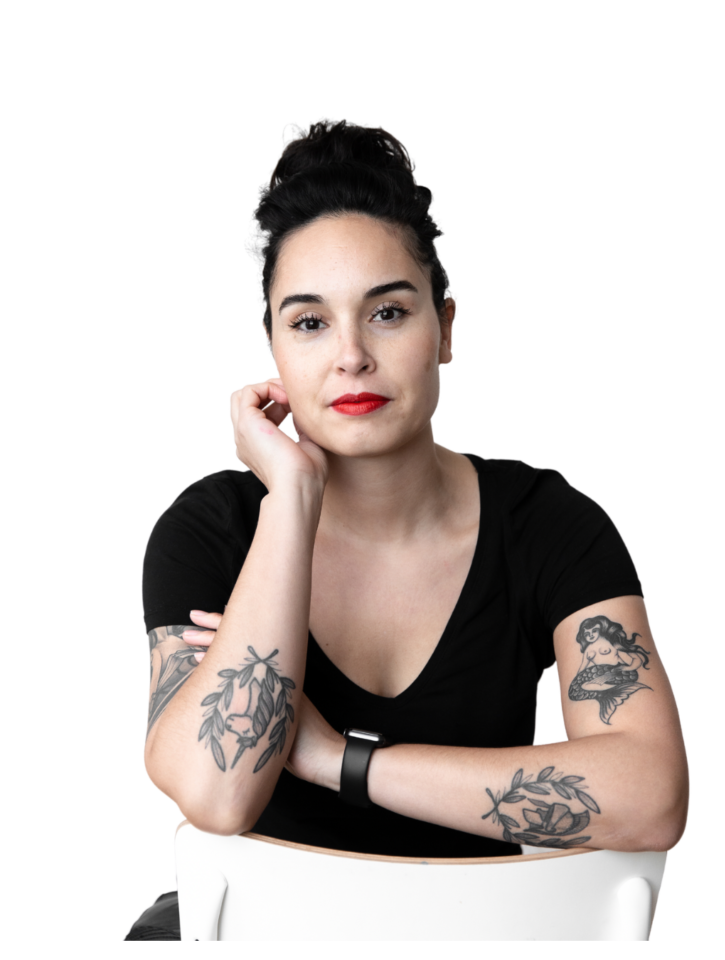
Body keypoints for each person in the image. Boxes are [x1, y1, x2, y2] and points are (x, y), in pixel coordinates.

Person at [131, 118, 689, 940]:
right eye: (310, 323)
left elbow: (652, 800)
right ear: (271, 347)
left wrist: (334, 758)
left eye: (387, 312)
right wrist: (291, 497)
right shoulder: (209, 529)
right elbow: (216, 796)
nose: (351, 355)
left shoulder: (548, 523)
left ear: (447, 328)